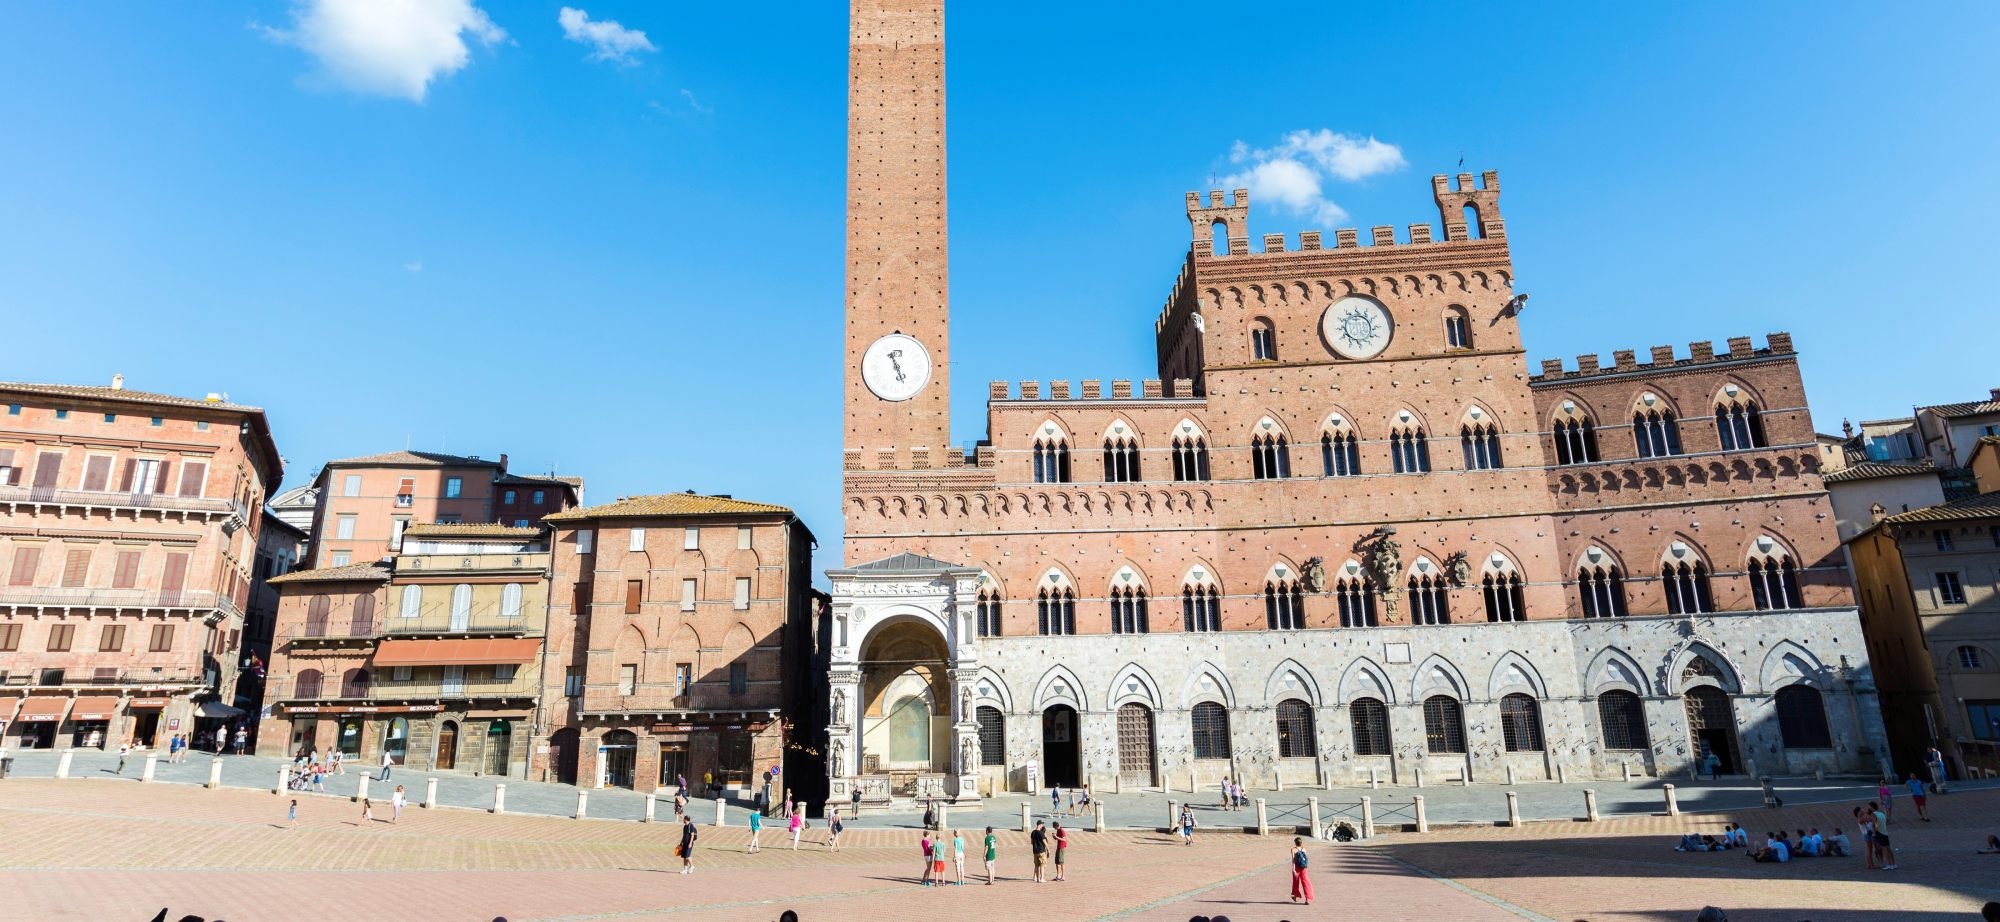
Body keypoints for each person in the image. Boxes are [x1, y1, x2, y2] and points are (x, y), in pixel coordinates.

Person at [1289, 836, 1314, 905]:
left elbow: (1293, 860)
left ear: (1295, 843)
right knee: (1305, 882)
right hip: (1304, 868)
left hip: (1297, 868)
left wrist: (1293, 869)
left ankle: (1295, 895)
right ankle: (1308, 899)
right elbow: (1306, 859)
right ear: (1301, 843)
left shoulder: (1293, 849)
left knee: (1295, 882)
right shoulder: (1304, 849)